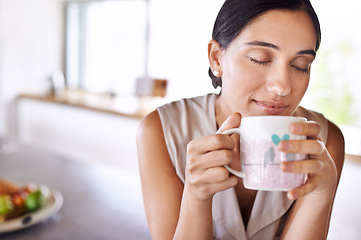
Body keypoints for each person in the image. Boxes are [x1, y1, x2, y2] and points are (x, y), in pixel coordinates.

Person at [137, 0, 345, 239]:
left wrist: (321, 193)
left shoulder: (324, 142)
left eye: (301, 65)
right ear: (216, 58)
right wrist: (196, 197)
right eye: (259, 58)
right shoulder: (162, 131)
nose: (282, 87)